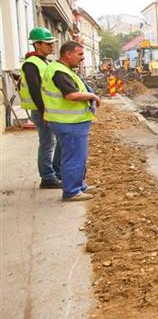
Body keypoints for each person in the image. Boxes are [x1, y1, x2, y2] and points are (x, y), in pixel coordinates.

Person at [42, 41, 101, 201]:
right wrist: (92, 96)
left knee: (76, 156)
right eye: (80, 54)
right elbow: (71, 95)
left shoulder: (62, 69)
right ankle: (72, 191)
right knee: (74, 157)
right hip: (69, 122)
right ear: (68, 54)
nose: (82, 58)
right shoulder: (60, 72)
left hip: (69, 121)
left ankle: (79, 185)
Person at [19, 27, 62, 189]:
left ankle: (56, 173)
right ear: (37, 45)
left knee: (56, 141)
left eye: (52, 43)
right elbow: (35, 90)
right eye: (48, 43)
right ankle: (48, 178)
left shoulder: (44, 62)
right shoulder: (31, 64)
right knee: (47, 143)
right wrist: (44, 111)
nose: (51, 46)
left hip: (47, 109)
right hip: (41, 110)